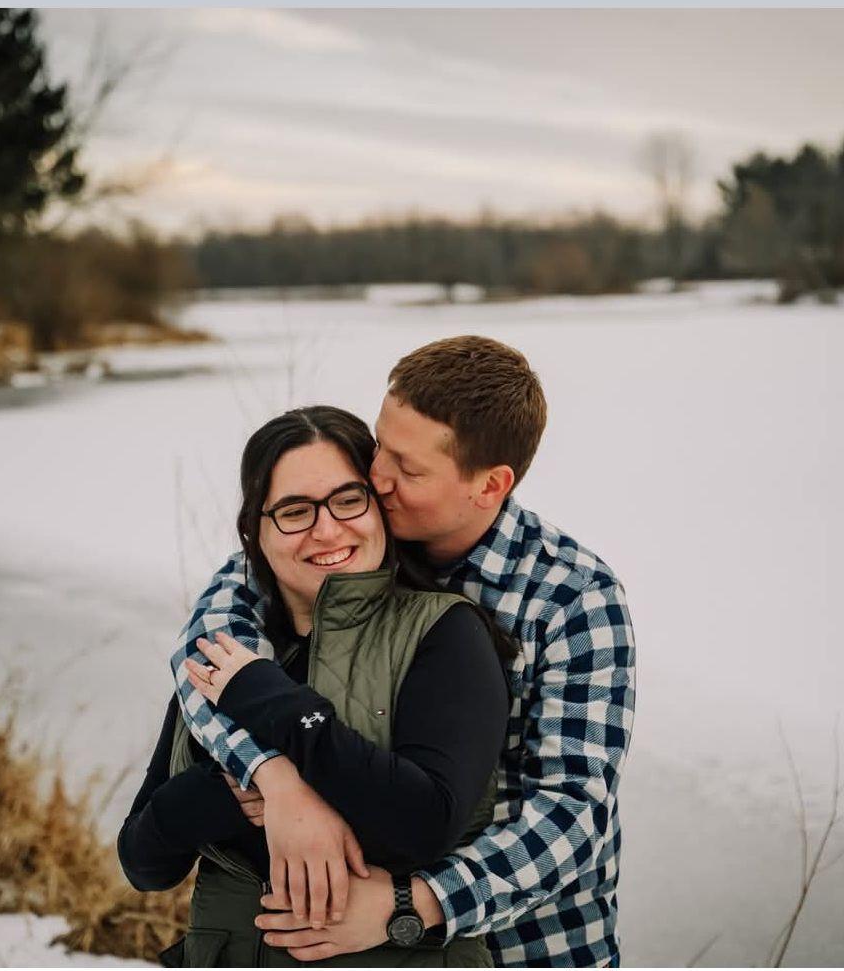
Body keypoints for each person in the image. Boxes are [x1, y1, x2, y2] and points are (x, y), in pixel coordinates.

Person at [172, 336, 636, 968]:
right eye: (380, 448)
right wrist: (275, 780)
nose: (378, 479)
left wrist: (413, 904)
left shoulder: (572, 596)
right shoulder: (350, 532)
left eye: (409, 469)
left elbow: (573, 812)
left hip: (530, 948)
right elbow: (207, 650)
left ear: (490, 485)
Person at [118, 405, 511, 967]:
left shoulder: (443, 632)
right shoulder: (231, 650)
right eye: (295, 511)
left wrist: (273, 703)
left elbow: (425, 821)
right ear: (254, 531)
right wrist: (251, 791)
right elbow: (144, 863)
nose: (327, 530)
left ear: (379, 507)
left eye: (348, 500)